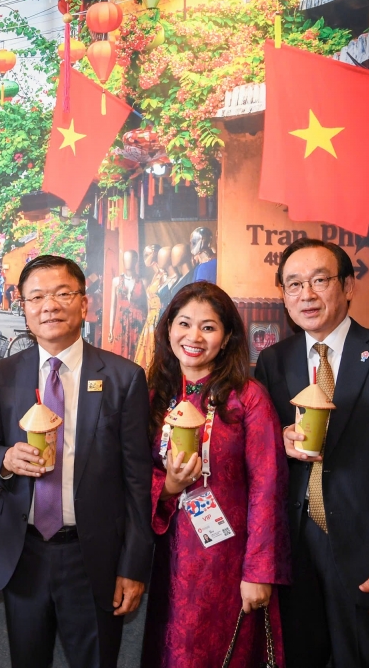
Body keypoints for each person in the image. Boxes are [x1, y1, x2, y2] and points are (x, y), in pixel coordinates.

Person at [254, 238, 369, 667]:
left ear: (348, 286)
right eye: (294, 284)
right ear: (283, 294)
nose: (307, 294)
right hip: (293, 552)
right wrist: (280, 442)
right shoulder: (273, 361)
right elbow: (264, 456)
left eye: (320, 280)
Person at [0, 254, 152, 668]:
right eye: (36, 297)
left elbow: (138, 482)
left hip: (93, 557)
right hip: (24, 553)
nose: (49, 306)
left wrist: (133, 566)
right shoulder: (3, 373)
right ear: (24, 307)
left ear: (84, 303)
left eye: (62, 294)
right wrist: (5, 459)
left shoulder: (123, 377)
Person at [141, 282, 290, 667]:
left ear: (226, 339)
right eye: (184, 323)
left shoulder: (248, 398)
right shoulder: (153, 395)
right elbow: (132, 475)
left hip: (228, 562)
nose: (193, 337)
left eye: (208, 327)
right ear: (168, 329)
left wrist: (259, 572)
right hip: (164, 558)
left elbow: (268, 487)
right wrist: (168, 486)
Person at [109, 250, 146, 360]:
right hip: (121, 322)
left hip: (138, 322)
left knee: (137, 353)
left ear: (135, 260)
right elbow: (113, 306)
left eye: (130, 259)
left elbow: (147, 306)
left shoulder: (143, 282)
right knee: (119, 354)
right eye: (125, 259)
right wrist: (111, 328)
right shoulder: (116, 281)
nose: (127, 262)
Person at [134, 244, 164, 371]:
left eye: (147, 254)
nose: (145, 258)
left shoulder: (162, 275)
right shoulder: (155, 275)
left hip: (157, 316)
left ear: (155, 254)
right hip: (150, 319)